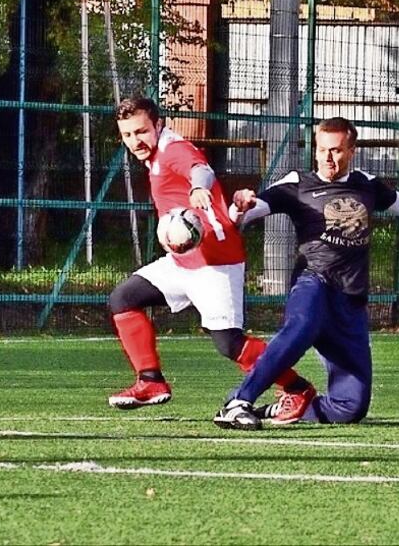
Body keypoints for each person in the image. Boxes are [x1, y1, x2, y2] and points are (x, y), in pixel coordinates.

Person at [214, 116, 399, 429]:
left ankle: (279, 409)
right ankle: (239, 401)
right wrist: (239, 207)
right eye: (322, 150)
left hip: (349, 301)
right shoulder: (298, 183)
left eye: (336, 150)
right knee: (302, 326)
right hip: (313, 282)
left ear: (352, 150)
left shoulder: (366, 184)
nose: (328, 157)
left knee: (350, 407)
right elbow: (248, 213)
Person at [108, 97, 315, 420]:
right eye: (128, 135)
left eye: (142, 131)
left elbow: (200, 168)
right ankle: (150, 381)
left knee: (229, 344)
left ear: (159, 125)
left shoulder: (173, 148)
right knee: (124, 298)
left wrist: (197, 188)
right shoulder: (154, 156)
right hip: (182, 260)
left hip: (215, 261)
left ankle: (297, 388)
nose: (136, 141)